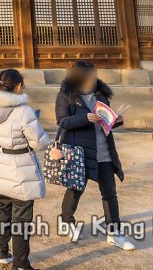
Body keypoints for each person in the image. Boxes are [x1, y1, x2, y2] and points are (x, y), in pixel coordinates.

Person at [55, 59, 134, 251]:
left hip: (104, 151)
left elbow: (105, 122)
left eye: (94, 75)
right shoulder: (66, 95)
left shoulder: (101, 95)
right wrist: (85, 118)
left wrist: (116, 121)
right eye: (89, 76)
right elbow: (62, 121)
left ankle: (114, 233)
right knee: (76, 189)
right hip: (80, 152)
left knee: (110, 193)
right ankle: (66, 221)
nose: (93, 79)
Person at [0, 69, 49, 270]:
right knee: (22, 218)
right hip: (20, 166)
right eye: (22, 86)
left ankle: (1, 250)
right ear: (17, 87)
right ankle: (21, 264)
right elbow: (39, 143)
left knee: (2, 207)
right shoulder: (23, 111)